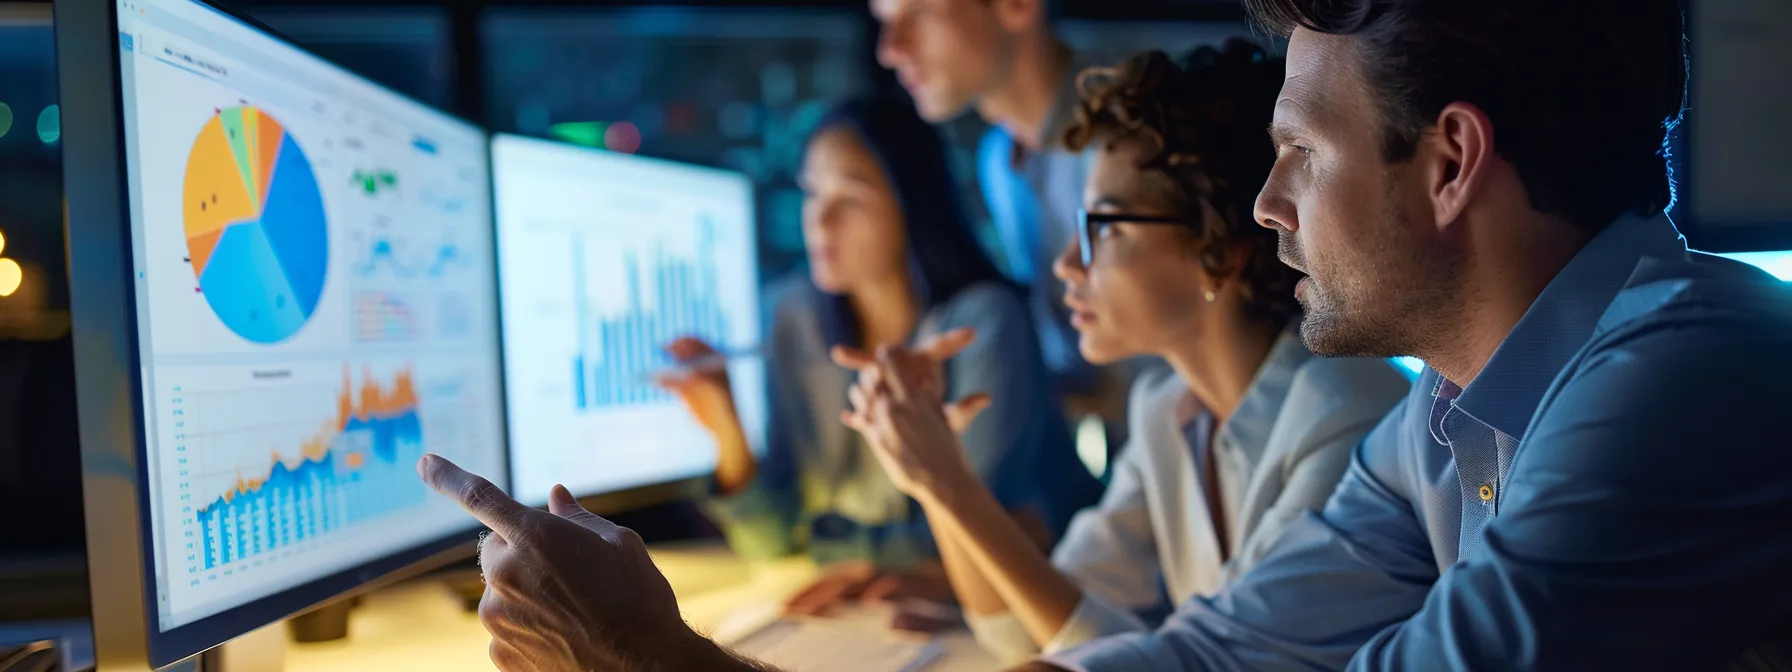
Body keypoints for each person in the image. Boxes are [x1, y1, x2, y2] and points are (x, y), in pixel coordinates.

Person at [1011, 0, 1792, 669]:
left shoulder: (1687, 376)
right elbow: (1225, 650)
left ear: (1451, 162)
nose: (1266, 204)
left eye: (1301, 152)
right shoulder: (1443, 414)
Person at [834, 43, 1410, 663]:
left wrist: (949, 484)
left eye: (1104, 226)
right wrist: (937, 477)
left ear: (1220, 245)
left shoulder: (1342, 410)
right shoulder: (1164, 410)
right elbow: (1029, 631)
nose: (1066, 264)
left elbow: (1187, 662)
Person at [659, 98, 1101, 612]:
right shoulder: (794, 321)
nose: (820, 220)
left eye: (851, 197)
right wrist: (728, 430)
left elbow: (976, 533)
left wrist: (838, 550)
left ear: (912, 203)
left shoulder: (984, 323)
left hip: (1033, 604)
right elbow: (773, 543)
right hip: (892, 604)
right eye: (812, 192)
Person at [871, 0, 1116, 408]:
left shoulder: (1132, 138)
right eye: (885, 21)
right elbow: (1089, 380)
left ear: (1016, 6)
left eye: (920, 12)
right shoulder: (999, 160)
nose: (890, 49)